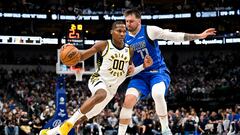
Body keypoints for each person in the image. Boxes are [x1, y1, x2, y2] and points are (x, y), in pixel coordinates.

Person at [39, 21, 153, 135]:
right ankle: (69, 122)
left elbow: (126, 73)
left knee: (83, 118)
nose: (122, 34)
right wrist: (71, 52)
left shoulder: (130, 50)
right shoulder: (103, 45)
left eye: (124, 31)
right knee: (100, 94)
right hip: (99, 79)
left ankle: (50, 133)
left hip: (112, 90)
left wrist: (143, 66)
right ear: (112, 32)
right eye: (119, 31)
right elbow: (82, 56)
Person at [118, 9, 216, 135]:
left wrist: (199, 36)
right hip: (139, 75)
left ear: (139, 21)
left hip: (157, 72)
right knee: (128, 101)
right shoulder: (123, 39)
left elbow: (174, 36)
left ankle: (165, 129)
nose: (128, 24)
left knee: (157, 94)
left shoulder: (149, 30)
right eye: (126, 21)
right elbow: (128, 72)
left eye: (131, 21)